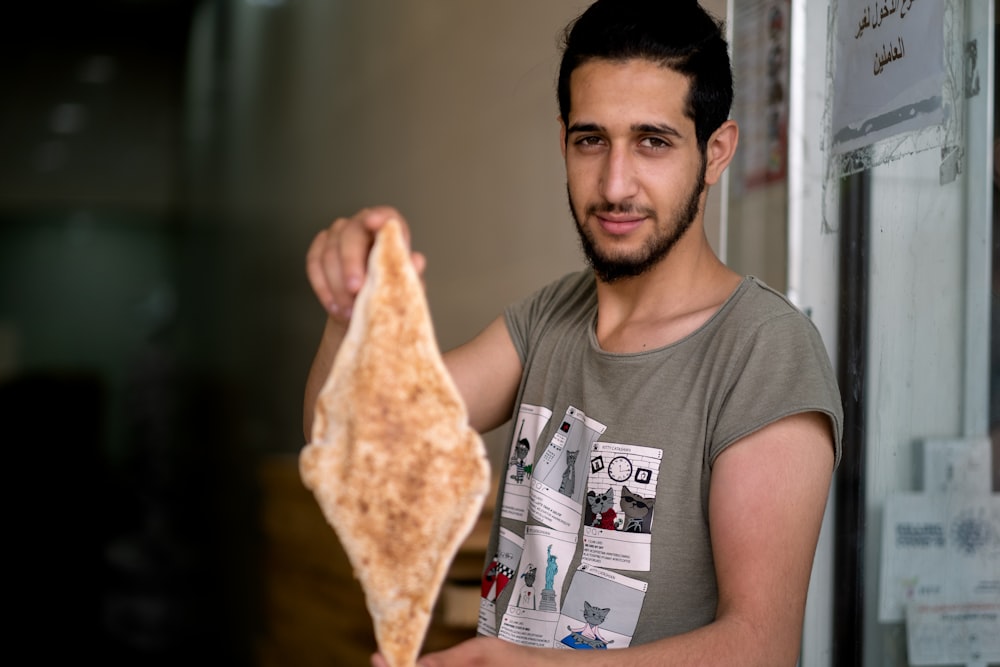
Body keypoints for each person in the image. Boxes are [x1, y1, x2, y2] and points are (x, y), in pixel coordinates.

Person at [303, 1, 843, 665]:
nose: (615, 184)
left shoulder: (764, 350)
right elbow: (356, 445)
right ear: (564, 141)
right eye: (592, 140)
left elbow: (759, 646)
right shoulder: (546, 320)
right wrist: (349, 313)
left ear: (716, 151)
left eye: (653, 141)